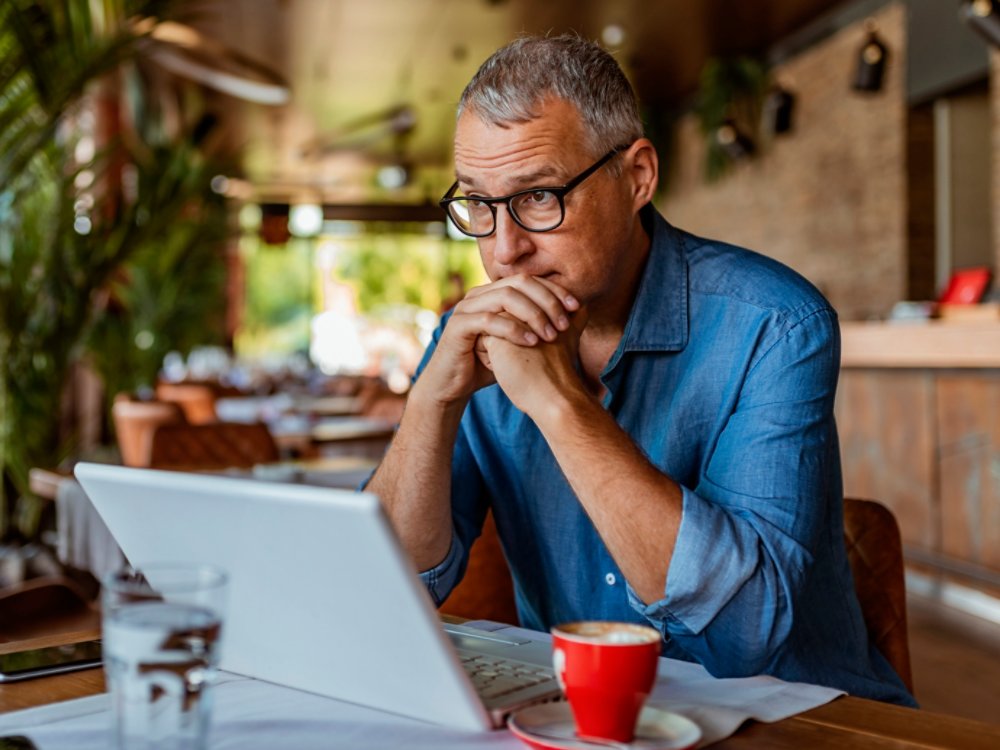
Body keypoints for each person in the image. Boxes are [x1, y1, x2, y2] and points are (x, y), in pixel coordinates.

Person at [367, 35, 915, 706]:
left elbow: (743, 638)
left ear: (637, 177)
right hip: (583, 719)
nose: (505, 250)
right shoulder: (473, 339)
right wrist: (430, 401)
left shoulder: (773, 324)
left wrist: (561, 406)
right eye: (478, 205)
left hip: (793, 722)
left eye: (539, 196)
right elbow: (384, 594)